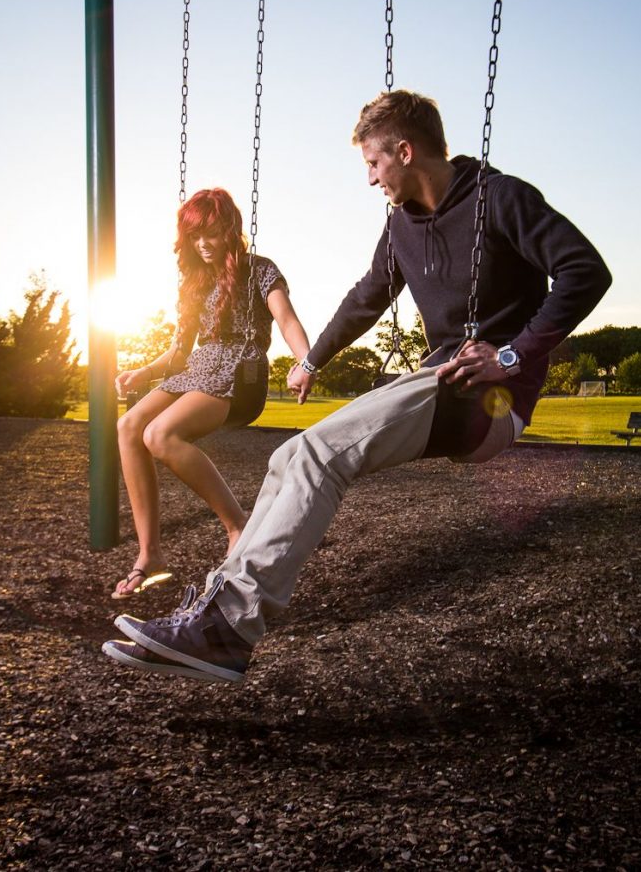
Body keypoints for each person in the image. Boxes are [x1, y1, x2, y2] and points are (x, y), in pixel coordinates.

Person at [102, 90, 611, 674]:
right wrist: (312, 359)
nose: (370, 178)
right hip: (440, 380)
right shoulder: (401, 226)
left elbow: (585, 270)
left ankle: (228, 628)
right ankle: (215, 609)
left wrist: (514, 357)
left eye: (373, 163)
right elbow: (367, 297)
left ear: (404, 150)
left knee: (320, 455)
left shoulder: (501, 198)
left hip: (490, 400)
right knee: (289, 455)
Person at [111, 187, 310, 599]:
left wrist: (304, 360)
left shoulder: (259, 269)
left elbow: (286, 318)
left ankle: (238, 526)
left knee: (160, 435)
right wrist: (143, 371)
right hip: (200, 365)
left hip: (240, 365)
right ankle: (150, 555)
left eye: (212, 233)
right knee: (129, 425)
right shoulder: (194, 283)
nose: (203, 244)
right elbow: (179, 352)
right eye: (194, 236)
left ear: (230, 230)